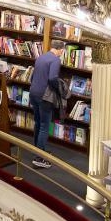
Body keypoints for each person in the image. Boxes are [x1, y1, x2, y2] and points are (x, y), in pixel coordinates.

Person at [27, 39, 65, 169]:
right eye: (62, 51)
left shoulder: (41, 57)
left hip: (33, 92)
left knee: (38, 123)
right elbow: (52, 78)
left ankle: (38, 150)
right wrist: (58, 89)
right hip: (45, 96)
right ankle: (39, 158)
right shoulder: (55, 60)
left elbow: (33, 76)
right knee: (44, 126)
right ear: (60, 50)